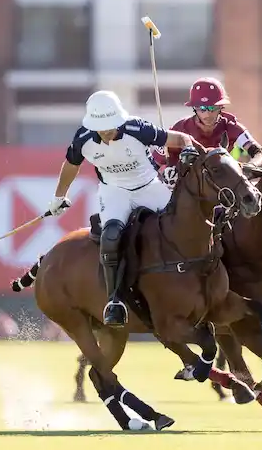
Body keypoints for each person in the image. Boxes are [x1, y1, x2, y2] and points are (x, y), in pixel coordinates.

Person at [46, 90, 195, 328]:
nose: (107, 131)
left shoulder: (137, 128)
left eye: (111, 125)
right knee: (111, 234)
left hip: (149, 187)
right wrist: (59, 196)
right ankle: (114, 300)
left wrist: (188, 150)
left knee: (182, 225)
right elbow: (71, 165)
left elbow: (180, 139)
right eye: (101, 127)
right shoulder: (83, 138)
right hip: (114, 192)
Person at [153, 77, 262, 187]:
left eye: (212, 108)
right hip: (186, 189)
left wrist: (250, 167)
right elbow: (152, 166)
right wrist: (167, 176)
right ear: (194, 108)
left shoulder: (232, 126)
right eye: (202, 108)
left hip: (220, 187)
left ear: (221, 106)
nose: (207, 114)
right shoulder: (178, 129)